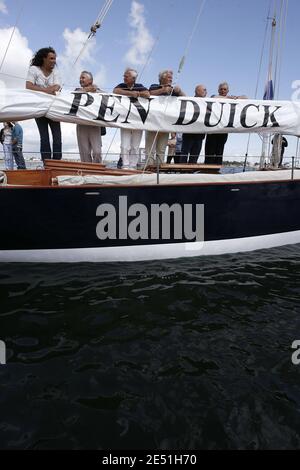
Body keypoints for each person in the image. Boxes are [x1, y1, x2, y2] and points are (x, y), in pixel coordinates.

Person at [26, 47, 62, 161]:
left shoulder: (55, 72)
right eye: (51, 58)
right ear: (44, 59)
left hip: (54, 108)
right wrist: (47, 90)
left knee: (57, 137)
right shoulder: (34, 69)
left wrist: (40, 89)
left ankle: (57, 162)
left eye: (55, 59)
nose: (54, 61)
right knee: (44, 137)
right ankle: (46, 163)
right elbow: (29, 86)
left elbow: (57, 87)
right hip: (39, 108)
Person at [146, 70, 185, 165]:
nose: (171, 79)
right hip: (152, 123)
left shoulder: (173, 90)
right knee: (149, 149)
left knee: (161, 149)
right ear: (162, 78)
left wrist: (179, 91)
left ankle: (158, 170)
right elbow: (149, 94)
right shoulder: (154, 86)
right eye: (169, 77)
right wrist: (163, 90)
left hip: (165, 125)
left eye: (171, 78)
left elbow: (185, 97)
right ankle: (149, 168)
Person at [113, 68, 150, 169]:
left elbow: (147, 94)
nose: (124, 77)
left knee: (135, 145)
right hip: (125, 119)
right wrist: (130, 93)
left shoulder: (139, 86)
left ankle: (133, 165)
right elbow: (115, 91)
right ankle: (125, 165)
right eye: (124, 75)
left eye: (126, 76)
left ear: (133, 78)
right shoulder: (122, 86)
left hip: (138, 120)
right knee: (124, 145)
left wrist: (137, 93)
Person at [205, 82, 247, 165]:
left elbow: (245, 97)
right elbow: (214, 97)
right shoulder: (214, 97)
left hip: (223, 129)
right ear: (218, 90)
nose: (223, 91)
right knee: (210, 149)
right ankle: (207, 168)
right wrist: (228, 98)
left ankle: (217, 169)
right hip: (212, 129)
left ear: (228, 90)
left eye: (225, 89)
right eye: (221, 89)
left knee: (219, 150)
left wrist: (236, 97)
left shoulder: (231, 99)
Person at [76, 71, 103, 163]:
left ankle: (97, 169)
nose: (80, 79)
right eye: (80, 78)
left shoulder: (99, 91)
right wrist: (87, 90)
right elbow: (75, 94)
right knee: (84, 153)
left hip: (94, 125)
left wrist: (94, 89)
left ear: (90, 80)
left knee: (97, 152)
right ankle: (87, 172)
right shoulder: (76, 90)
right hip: (82, 124)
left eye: (83, 78)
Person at [181, 84, 207, 163]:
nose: (206, 92)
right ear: (197, 91)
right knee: (184, 156)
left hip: (199, 135)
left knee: (194, 157)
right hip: (188, 134)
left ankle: (190, 173)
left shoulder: (207, 103)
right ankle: (182, 173)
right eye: (204, 90)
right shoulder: (189, 101)